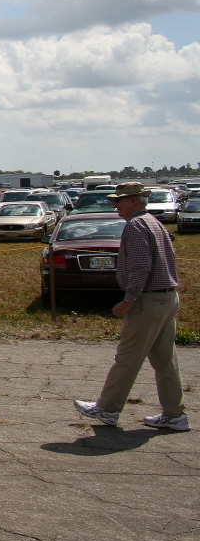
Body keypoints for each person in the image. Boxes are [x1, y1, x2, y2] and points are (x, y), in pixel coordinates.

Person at [74, 183, 188, 431]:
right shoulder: (153, 222)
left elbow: (140, 267)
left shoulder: (136, 226)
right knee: (165, 361)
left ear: (134, 201)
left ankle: (107, 408)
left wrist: (129, 301)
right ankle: (174, 414)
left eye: (119, 201)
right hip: (167, 299)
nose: (115, 205)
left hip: (148, 301)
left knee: (127, 358)